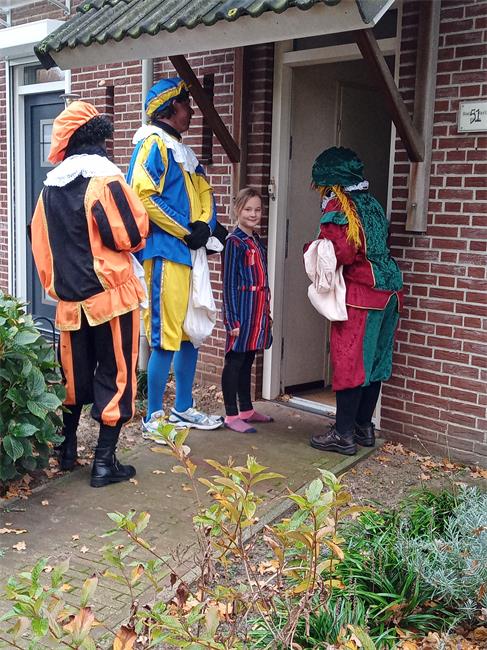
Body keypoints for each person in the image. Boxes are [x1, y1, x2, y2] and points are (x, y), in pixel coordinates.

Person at [30, 100, 149, 487]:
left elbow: (41, 251)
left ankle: (66, 452)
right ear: (98, 136)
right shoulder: (104, 180)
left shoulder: (48, 192)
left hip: (70, 303)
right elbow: (132, 235)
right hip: (112, 298)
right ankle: (103, 464)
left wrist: (61, 287)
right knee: (116, 375)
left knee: (74, 378)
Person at [127, 77, 223, 436]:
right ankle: (153, 417)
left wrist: (206, 227)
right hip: (165, 253)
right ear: (170, 108)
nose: (192, 111)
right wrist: (187, 230)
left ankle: (183, 408)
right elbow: (144, 196)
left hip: (190, 253)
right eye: (187, 104)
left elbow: (205, 193)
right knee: (164, 336)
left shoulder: (185, 152)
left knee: (189, 333)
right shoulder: (152, 144)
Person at [307, 147, 403, 456]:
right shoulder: (372, 203)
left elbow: (343, 253)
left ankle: (343, 434)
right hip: (390, 292)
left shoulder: (341, 206)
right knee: (374, 363)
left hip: (362, 295)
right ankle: (363, 427)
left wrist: (311, 248)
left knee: (350, 362)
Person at [221, 188, 273, 433]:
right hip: (241, 311)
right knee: (235, 360)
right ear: (237, 210)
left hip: (257, 310)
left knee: (249, 358)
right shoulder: (234, 242)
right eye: (248, 209)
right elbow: (229, 283)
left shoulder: (256, 241)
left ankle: (246, 409)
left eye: (257, 210)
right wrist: (231, 320)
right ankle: (231, 415)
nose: (253, 214)